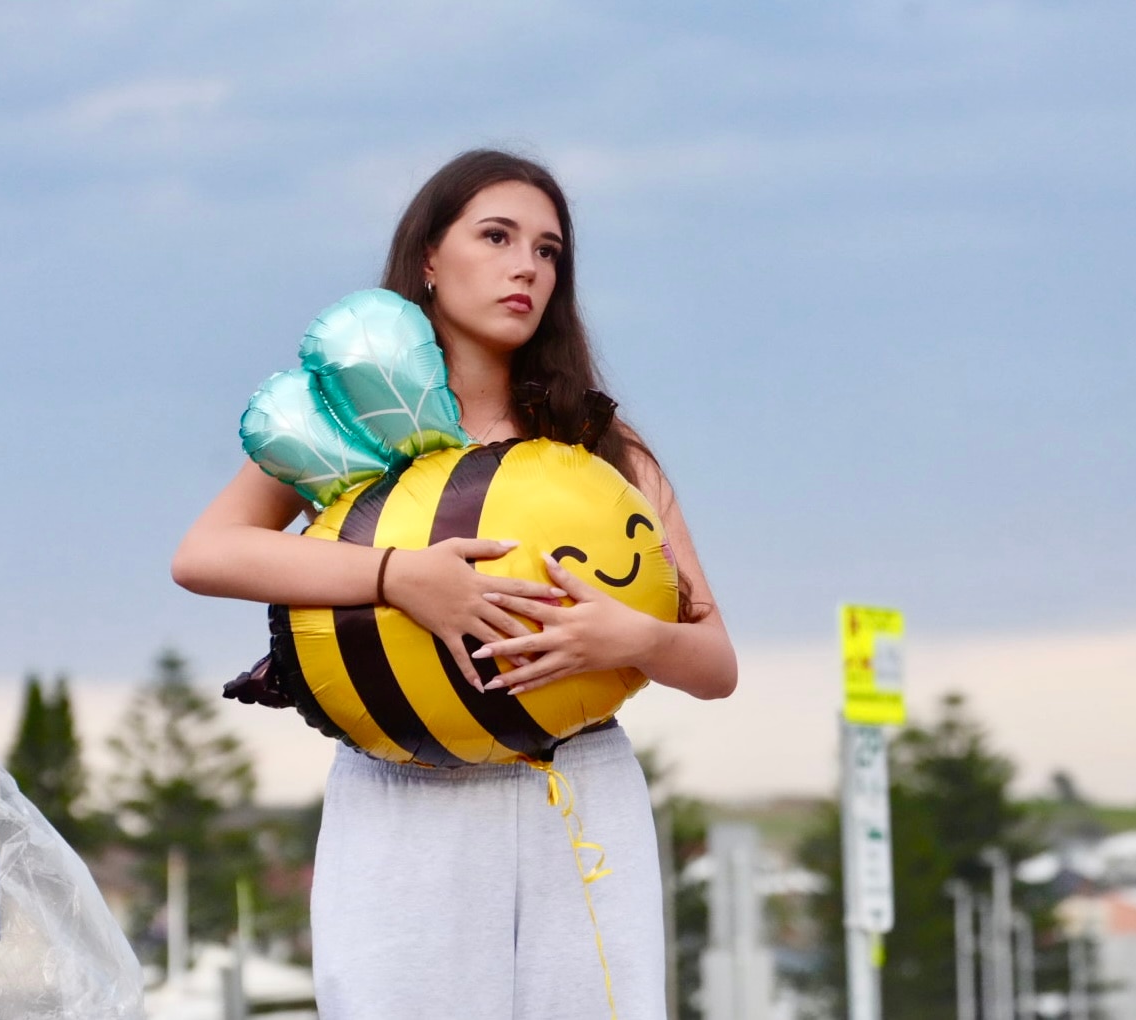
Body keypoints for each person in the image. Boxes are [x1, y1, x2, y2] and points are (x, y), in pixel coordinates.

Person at [173, 149, 738, 1019]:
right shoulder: (349, 423)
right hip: (405, 793)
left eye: (549, 251)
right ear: (429, 260)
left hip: (579, 791)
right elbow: (206, 554)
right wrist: (400, 578)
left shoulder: (600, 445)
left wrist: (632, 639)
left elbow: (715, 662)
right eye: (498, 236)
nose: (527, 267)